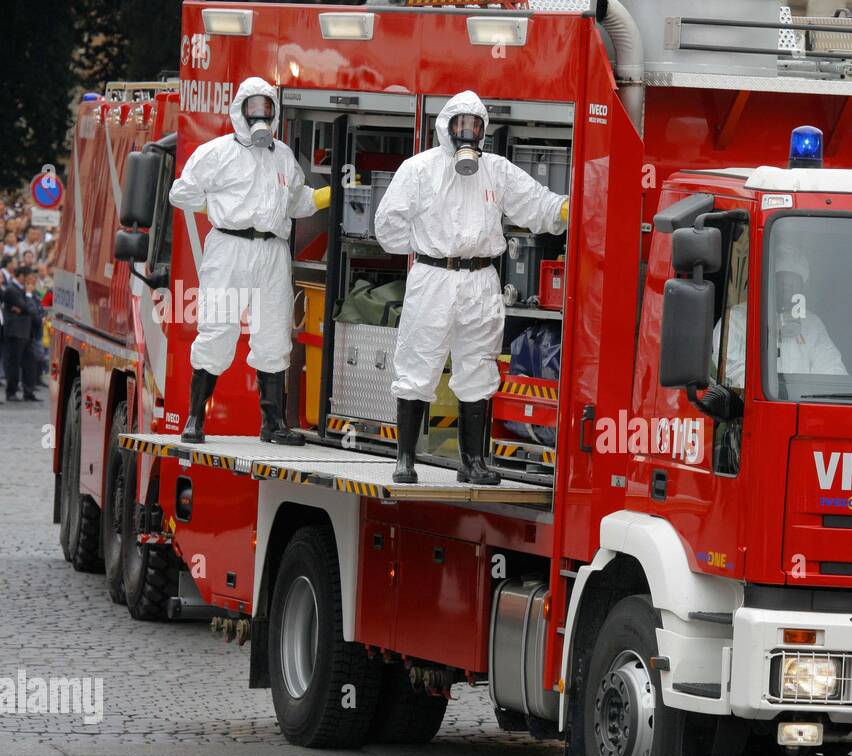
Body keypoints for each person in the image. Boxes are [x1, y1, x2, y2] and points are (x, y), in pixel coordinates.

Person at [374, 90, 569, 485]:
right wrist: (419, 246)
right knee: (417, 363)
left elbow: (536, 203)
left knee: (478, 366)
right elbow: (388, 224)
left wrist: (567, 207)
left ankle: (473, 462)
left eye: (475, 125)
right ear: (446, 127)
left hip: (481, 279)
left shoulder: (496, 171)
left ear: (484, 130)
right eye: (460, 124)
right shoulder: (420, 170)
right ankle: (405, 458)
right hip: (433, 276)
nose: (467, 132)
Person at [168, 76, 331, 445]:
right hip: (230, 247)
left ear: (274, 112)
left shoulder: (283, 155)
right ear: (240, 110)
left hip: (272, 250)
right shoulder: (217, 152)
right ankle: (195, 418)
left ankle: (272, 423)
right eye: (253, 107)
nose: (261, 115)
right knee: (218, 328)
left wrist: (325, 196)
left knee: (273, 333)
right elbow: (182, 193)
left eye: (267, 108)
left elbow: (296, 201)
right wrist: (217, 209)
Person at [714, 241, 846, 387]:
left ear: (801, 288)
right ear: (768, 282)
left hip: (803, 405)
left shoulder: (811, 324)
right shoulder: (737, 319)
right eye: (781, 283)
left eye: (793, 284)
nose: (787, 290)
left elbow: (831, 367)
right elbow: (733, 371)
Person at [2, 265, 43, 401]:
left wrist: (24, 308)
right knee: (13, 364)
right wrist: (28, 296)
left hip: (27, 332)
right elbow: (28, 308)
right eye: (28, 277)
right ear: (21, 276)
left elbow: (29, 310)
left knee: (30, 363)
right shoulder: (11, 290)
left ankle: (28, 391)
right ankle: (11, 392)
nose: (31, 281)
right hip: (15, 333)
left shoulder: (23, 290)